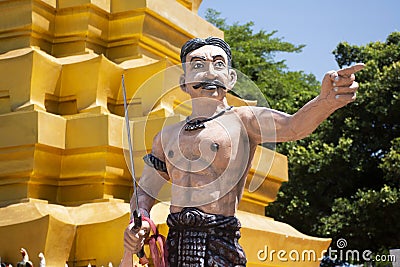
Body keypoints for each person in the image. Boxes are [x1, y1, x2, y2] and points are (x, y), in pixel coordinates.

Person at [123, 37, 364, 266]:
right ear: (183, 82)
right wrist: (140, 219)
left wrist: (326, 101)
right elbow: (145, 190)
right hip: (176, 239)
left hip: (220, 238)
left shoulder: (244, 121)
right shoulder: (166, 136)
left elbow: (293, 126)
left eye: (218, 65)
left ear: (231, 78)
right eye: (198, 65)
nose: (209, 73)